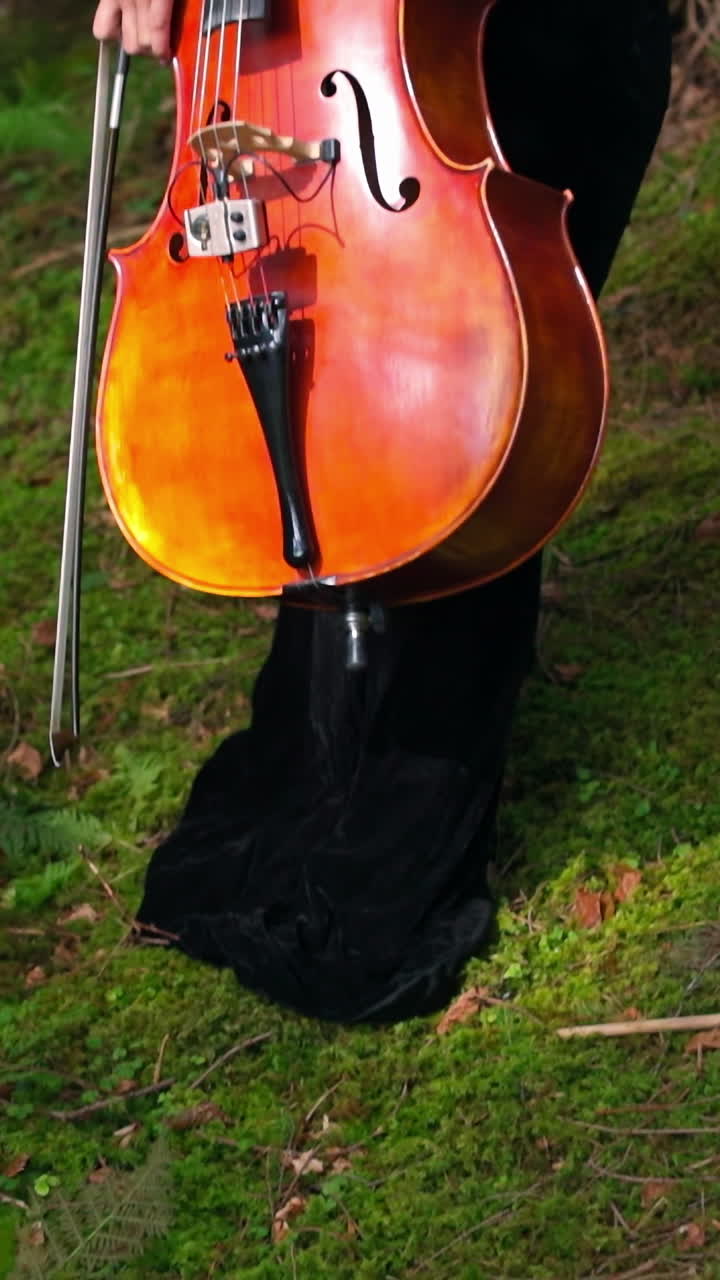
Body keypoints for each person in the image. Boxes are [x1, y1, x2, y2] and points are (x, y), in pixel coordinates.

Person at [93, 0, 673, 1023]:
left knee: (455, 385)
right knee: (345, 405)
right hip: (319, 59)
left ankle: (403, 785)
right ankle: (318, 753)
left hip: (512, 44)